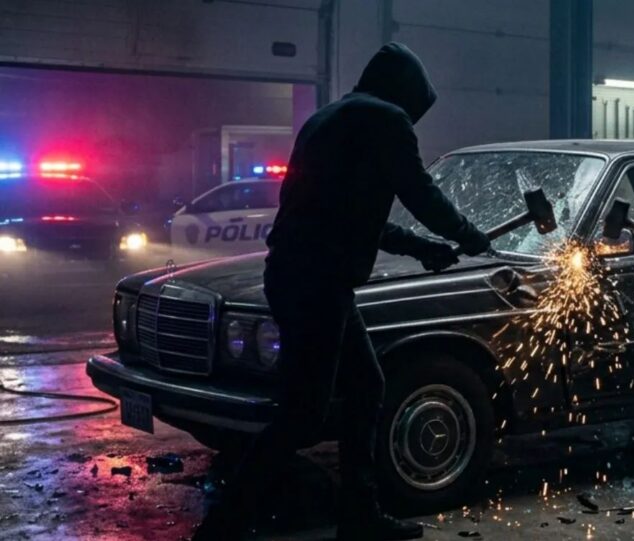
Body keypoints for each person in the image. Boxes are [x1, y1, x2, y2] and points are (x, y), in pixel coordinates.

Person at [193, 42, 490, 541]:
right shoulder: (385, 120)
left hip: (299, 277)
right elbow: (420, 193)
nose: (411, 120)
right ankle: (224, 525)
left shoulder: (326, 119)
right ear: (404, 92)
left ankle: (360, 515)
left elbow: (348, 214)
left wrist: (421, 248)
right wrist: (467, 233)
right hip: (319, 285)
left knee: (366, 388)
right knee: (303, 415)